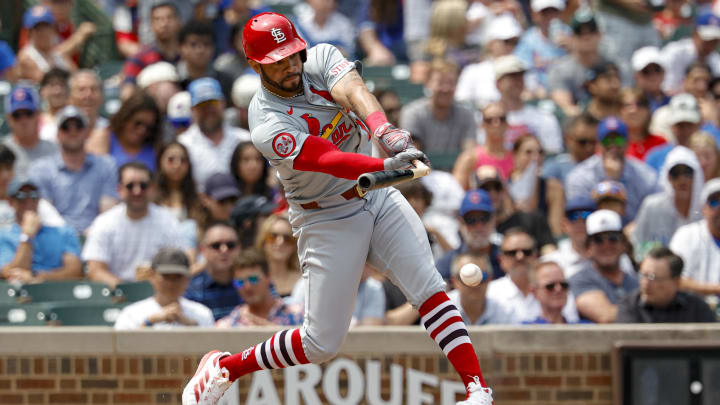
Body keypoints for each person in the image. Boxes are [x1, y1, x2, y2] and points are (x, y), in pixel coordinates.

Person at [183, 12, 494, 405]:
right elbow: (326, 158)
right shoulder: (265, 121)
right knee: (321, 343)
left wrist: (383, 131)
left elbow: (354, 91)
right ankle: (227, 367)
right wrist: (383, 165)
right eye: (278, 60)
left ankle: (477, 389)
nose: (290, 65)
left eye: (293, 54)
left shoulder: (322, 56)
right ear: (255, 65)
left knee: (429, 288)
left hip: (376, 195)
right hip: (325, 213)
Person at [83, 162, 188, 289]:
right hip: (116, 295)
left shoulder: (168, 221)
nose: (137, 191)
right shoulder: (104, 223)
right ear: (119, 190)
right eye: (130, 186)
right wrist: (129, 291)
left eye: (143, 186)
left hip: (160, 293)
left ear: (152, 188)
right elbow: (96, 270)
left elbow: (181, 262)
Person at [29, 106, 118, 235]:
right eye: (66, 127)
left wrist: (92, 235)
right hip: (56, 238)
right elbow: (45, 213)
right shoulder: (41, 169)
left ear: (87, 132)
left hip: (98, 237)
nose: (72, 131)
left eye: (78, 126)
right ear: (58, 134)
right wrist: (69, 238)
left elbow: (108, 210)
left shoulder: (106, 165)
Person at [565, 116, 659, 221]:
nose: (613, 145)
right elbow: (579, 216)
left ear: (627, 142)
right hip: (595, 232)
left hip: (635, 233)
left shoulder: (645, 175)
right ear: (599, 144)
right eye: (607, 140)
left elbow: (653, 214)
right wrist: (610, 179)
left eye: (618, 140)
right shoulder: (580, 176)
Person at [487, 228, 579, 323]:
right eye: (512, 253)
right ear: (500, 259)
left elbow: (570, 328)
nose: (520, 257)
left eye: (527, 252)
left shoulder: (559, 288)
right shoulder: (490, 292)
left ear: (536, 256)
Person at [0, 178, 81, 284]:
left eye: (33, 195)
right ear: (10, 202)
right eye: (21, 196)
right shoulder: (4, 236)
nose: (29, 200)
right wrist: (27, 236)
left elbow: (74, 272)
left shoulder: (64, 233)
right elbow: (11, 273)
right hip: (20, 295)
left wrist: (36, 276)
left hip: (58, 292)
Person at [114, 248, 215, 330]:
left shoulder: (201, 313)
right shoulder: (131, 314)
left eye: (177, 276)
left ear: (187, 279)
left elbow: (211, 352)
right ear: (152, 276)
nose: (171, 283)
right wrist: (149, 322)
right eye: (166, 276)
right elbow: (120, 353)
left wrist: (189, 324)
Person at [633, 146, 703, 259]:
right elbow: (638, 244)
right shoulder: (651, 206)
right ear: (668, 177)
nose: (682, 179)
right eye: (676, 173)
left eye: (688, 173)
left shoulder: (706, 209)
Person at [569, 209, 639, 323]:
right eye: (598, 240)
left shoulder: (636, 280)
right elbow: (605, 316)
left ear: (624, 245)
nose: (606, 246)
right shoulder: (579, 280)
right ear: (588, 248)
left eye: (613, 238)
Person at [178, 78, 249, 187]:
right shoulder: (183, 145)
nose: (208, 110)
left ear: (223, 103)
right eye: (201, 105)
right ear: (192, 110)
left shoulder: (244, 139)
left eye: (212, 103)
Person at [616, 246, 716, 323]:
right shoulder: (629, 307)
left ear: (676, 282)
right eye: (643, 276)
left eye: (652, 277)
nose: (645, 283)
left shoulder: (696, 309)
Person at [399, 59, 476, 158]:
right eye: (440, 82)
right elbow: (413, 154)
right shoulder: (412, 113)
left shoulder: (466, 115)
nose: (446, 89)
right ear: (428, 84)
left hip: (458, 171)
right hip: (423, 171)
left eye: (451, 83)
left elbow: (470, 153)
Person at [548, 10, 614, 118]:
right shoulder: (560, 70)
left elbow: (621, 99)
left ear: (600, 35)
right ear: (571, 37)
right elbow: (567, 108)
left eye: (591, 31)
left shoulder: (611, 66)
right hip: (578, 124)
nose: (586, 36)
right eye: (579, 32)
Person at [216, 248, 303, 327]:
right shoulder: (228, 325)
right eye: (240, 282)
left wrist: (276, 333)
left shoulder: (298, 315)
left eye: (253, 279)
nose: (248, 287)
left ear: (268, 277)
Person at [495, 55, 563, 154]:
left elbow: (553, 152)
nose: (517, 81)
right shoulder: (489, 119)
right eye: (511, 77)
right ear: (498, 83)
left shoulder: (543, 117)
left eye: (520, 76)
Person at [455, 14, 523, 108]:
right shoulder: (472, 72)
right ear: (491, 43)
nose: (511, 46)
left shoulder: (522, 71)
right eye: (506, 41)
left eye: (515, 42)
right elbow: (461, 104)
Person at [436, 189, 503, 281]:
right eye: (471, 220)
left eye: (484, 218)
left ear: (494, 220)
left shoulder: (508, 257)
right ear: (461, 222)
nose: (479, 226)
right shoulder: (447, 264)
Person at [87, 90, 162, 172]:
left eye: (149, 127)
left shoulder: (155, 147)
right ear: (125, 118)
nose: (142, 130)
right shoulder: (104, 137)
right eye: (138, 123)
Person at [669, 179, 720, 296]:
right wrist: (715, 289)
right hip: (692, 310)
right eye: (713, 202)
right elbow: (673, 279)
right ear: (704, 208)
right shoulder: (687, 235)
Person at [507, 135, 564, 237]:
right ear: (515, 155)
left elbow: (555, 229)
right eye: (528, 152)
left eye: (540, 152)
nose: (535, 158)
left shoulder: (554, 188)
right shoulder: (504, 187)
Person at [122, 0, 182, 96]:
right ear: (151, 25)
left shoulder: (189, 55)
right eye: (158, 19)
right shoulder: (139, 58)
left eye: (169, 18)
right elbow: (127, 94)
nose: (164, 24)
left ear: (179, 22)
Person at [185, 222, 242, 321]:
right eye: (216, 245)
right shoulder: (190, 288)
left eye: (230, 245)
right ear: (203, 250)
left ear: (239, 248)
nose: (224, 250)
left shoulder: (250, 282)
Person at [514, 0, 570, 96]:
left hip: (569, 90)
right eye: (545, 13)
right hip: (542, 94)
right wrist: (535, 89)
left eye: (554, 12)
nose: (550, 17)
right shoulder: (528, 40)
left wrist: (574, 48)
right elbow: (523, 71)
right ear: (535, 15)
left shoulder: (571, 34)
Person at [453, 102, 514, 187]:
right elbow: (457, 191)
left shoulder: (516, 158)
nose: (496, 124)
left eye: (501, 119)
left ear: (507, 124)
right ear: (482, 125)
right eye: (489, 120)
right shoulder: (469, 158)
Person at [3, 85, 58, 178]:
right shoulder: (2, 151)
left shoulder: (54, 151)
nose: (23, 120)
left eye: (29, 113)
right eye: (17, 115)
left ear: (38, 114)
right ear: (9, 118)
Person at [154, 141, 202, 248]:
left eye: (183, 160)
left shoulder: (197, 199)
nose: (177, 165)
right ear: (160, 162)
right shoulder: (150, 196)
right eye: (171, 160)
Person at [660, 12, 720, 95]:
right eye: (707, 39)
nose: (710, 44)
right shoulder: (675, 53)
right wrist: (688, 89)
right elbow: (663, 90)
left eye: (715, 40)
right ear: (695, 33)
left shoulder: (716, 60)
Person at [448, 252, 514, 325]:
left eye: (482, 276)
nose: (475, 284)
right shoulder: (443, 310)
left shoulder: (505, 311)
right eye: (466, 278)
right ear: (454, 281)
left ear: (490, 279)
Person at [177, 20, 234, 103]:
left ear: (213, 48)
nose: (200, 50)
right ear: (181, 48)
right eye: (193, 44)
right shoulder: (174, 80)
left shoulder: (225, 81)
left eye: (206, 44)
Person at [16, 5, 75, 84]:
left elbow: (76, 75)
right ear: (30, 32)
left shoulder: (59, 53)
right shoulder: (26, 56)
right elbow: (47, 82)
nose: (42, 32)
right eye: (38, 29)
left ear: (53, 28)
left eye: (46, 27)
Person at [646, 93, 702, 171]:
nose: (685, 131)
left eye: (689, 125)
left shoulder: (708, 157)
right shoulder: (655, 158)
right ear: (671, 126)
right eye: (680, 125)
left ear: (698, 125)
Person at [541, 113, 599, 184]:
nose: (589, 148)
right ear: (568, 139)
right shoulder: (555, 169)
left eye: (593, 142)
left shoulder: (603, 168)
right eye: (582, 142)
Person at [254, 214, 300, 298]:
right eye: (273, 236)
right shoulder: (253, 280)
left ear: (294, 245)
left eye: (287, 238)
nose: (280, 242)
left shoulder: (304, 281)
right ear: (263, 240)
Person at [620, 88, 666, 160]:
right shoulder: (613, 144)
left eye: (640, 105)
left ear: (648, 111)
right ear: (619, 111)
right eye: (627, 105)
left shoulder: (661, 143)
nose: (634, 110)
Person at [631, 47, 670, 113]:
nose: (653, 76)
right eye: (646, 71)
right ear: (636, 76)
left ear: (664, 72)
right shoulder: (630, 105)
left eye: (657, 70)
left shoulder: (673, 102)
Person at [38, 68, 71, 139]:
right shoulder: (33, 121)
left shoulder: (79, 118)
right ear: (42, 91)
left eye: (62, 85)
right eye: (52, 85)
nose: (57, 91)